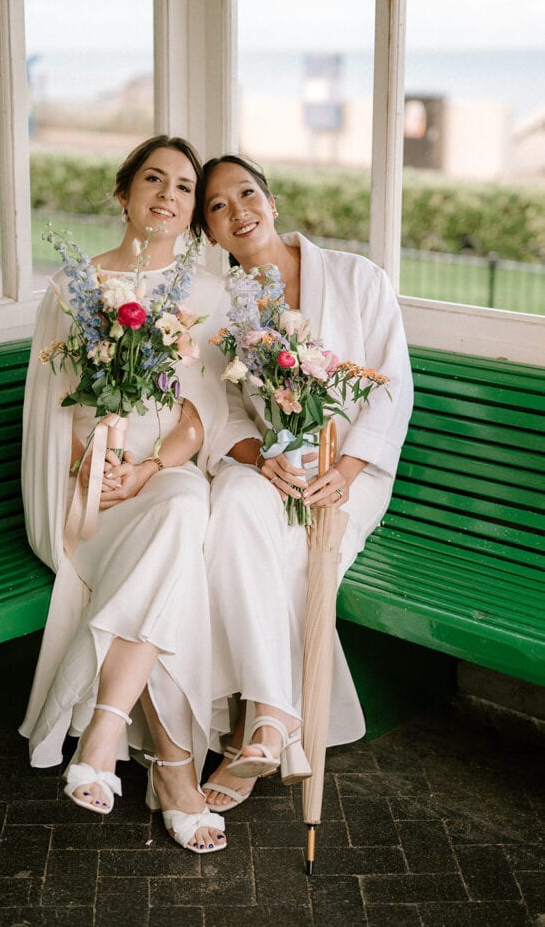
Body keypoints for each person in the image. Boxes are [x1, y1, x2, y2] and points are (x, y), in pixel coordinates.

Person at [19, 136, 232, 853]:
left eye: (183, 187)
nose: (168, 195)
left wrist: (148, 467)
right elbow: (51, 408)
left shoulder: (205, 295)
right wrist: (92, 466)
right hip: (88, 489)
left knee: (180, 507)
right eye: (153, 179)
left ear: (191, 214)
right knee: (173, 553)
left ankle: (103, 734)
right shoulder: (72, 288)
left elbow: (207, 414)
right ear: (124, 192)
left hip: (162, 473)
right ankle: (175, 774)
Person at [198, 155, 414, 811]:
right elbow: (225, 411)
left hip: (354, 472)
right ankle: (276, 712)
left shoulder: (358, 278)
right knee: (227, 507)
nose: (238, 211)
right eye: (216, 206)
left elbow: (392, 387)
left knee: (296, 555)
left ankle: (250, 731)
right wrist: (259, 457)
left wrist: (346, 473)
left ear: (272, 200)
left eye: (247, 193)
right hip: (279, 468)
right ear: (208, 234)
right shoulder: (225, 310)